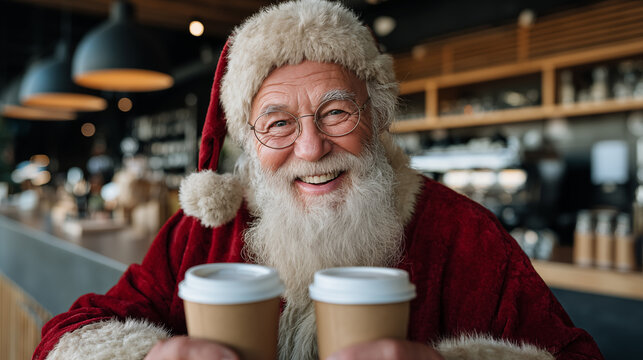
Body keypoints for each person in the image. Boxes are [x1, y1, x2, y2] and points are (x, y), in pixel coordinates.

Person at [34, 1, 604, 359]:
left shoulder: (464, 234)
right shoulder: (201, 231)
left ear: (376, 118)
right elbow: (69, 334)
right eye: (278, 123)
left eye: (336, 112)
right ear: (250, 142)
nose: (311, 148)